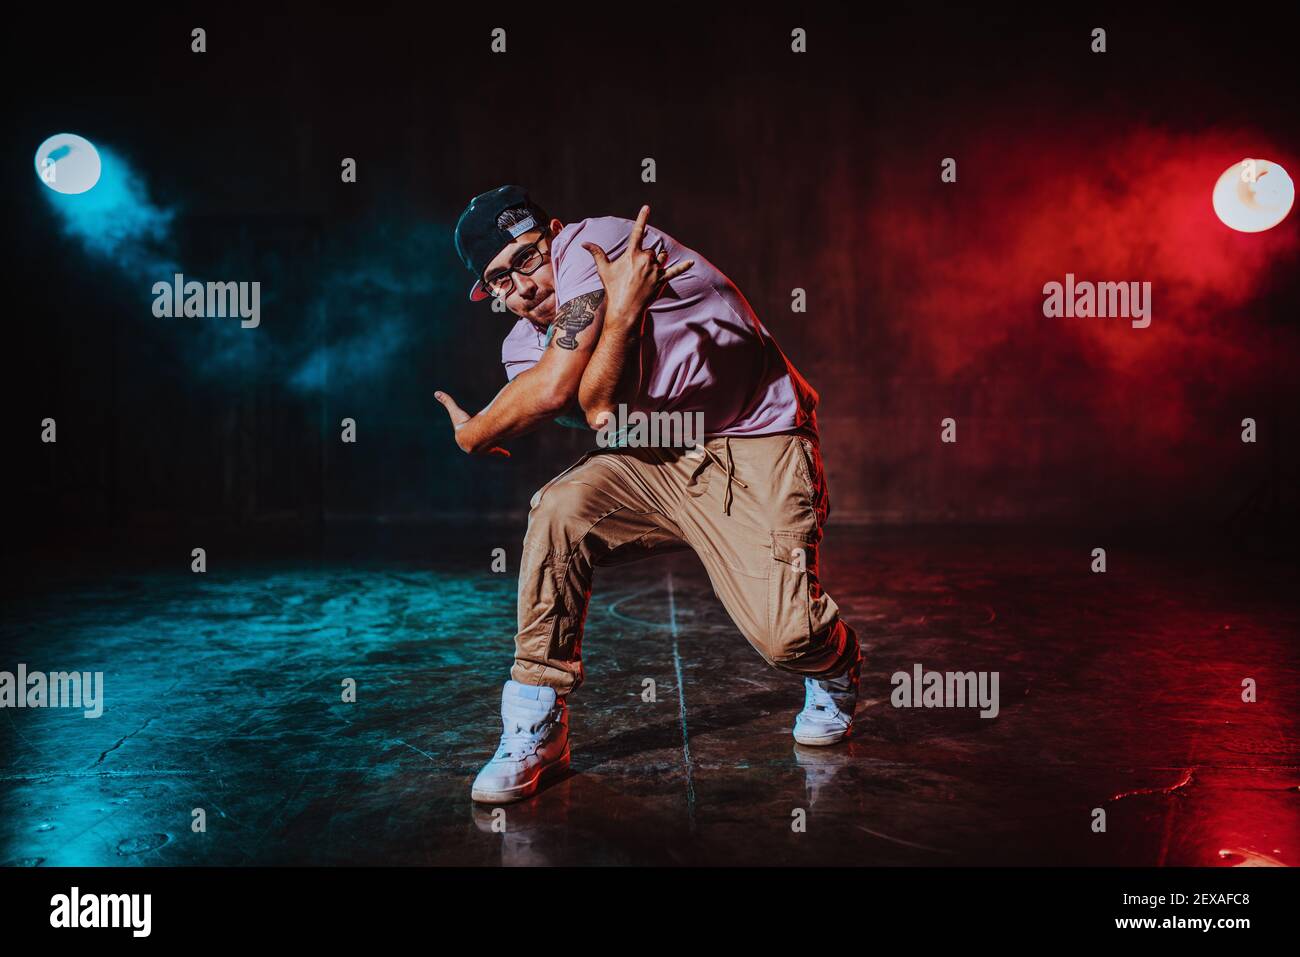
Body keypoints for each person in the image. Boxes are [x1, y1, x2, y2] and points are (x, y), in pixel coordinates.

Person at [437, 185, 862, 804]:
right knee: (559, 510)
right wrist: (622, 314)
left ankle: (838, 665)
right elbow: (599, 411)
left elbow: (565, 394)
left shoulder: (600, 241)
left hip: (755, 439)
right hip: (655, 456)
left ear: (554, 235)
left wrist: (473, 435)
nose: (521, 288)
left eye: (527, 259)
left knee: (788, 637)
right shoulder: (521, 346)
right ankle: (537, 723)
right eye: (499, 281)